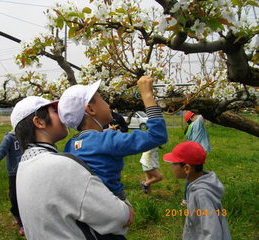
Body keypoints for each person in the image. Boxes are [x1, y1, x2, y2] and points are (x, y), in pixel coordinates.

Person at [58, 76, 167, 239]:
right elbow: (157, 135)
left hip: (87, 216)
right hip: (112, 212)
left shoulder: (71, 144)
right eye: (102, 99)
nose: (109, 104)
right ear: (90, 109)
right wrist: (147, 96)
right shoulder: (106, 140)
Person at [11, 96, 134, 240]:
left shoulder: (24, 165)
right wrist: (126, 206)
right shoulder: (60, 165)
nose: (62, 116)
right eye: (56, 111)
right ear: (39, 122)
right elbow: (120, 217)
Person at [163, 141, 231, 240]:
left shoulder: (202, 194)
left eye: (173, 164)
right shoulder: (195, 186)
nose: (171, 167)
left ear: (186, 168)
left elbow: (212, 232)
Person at [0, 130, 24, 236]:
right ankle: (17, 216)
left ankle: (23, 222)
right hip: (14, 172)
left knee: (25, 197)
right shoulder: (9, 138)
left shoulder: (29, 134)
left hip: (28, 169)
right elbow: (0, 152)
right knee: (14, 197)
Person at [182, 111, 211, 206]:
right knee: (193, 175)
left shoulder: (190, 127)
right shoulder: (197, 123)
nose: (197, 115)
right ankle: (187, 199)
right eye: (195, 114)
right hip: (197, 153)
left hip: (194, 153)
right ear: (191, 118)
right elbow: (204, 115)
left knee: (195, 175)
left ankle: (191, 198)